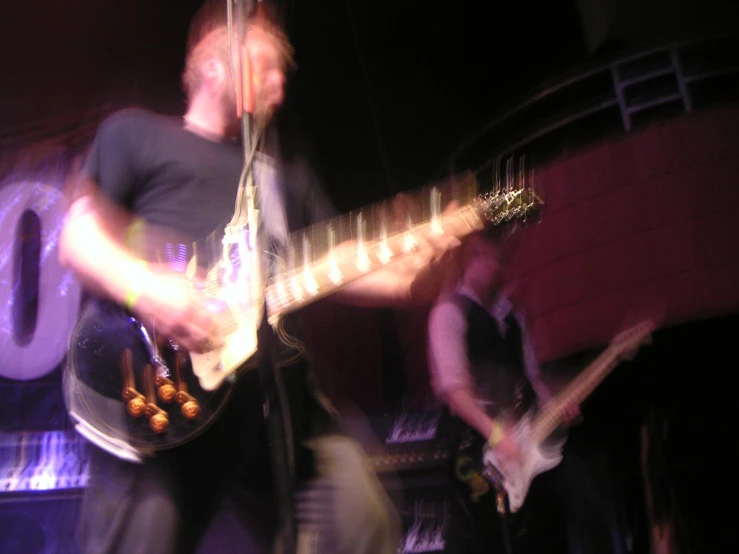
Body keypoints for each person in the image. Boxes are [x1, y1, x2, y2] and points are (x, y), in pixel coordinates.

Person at [60, 5, 465, 554]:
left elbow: (334, 264)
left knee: (363, 518)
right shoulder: (136, 135)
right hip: (161, 388)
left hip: (276, 401)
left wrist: (415, 278)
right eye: (266, 65)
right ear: (213, 65)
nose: (280, 83)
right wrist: (145, 289)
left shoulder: (286, 175)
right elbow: (78, 238)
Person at [426, 231, 618, 554]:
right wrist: (497, 433)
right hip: (481, 453)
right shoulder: (449, 313)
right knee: (494, 540)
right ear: (465, 263)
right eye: (481, 256)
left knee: (575, 512)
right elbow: (454, 391)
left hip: (530, 443)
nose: (491, 264)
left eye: (494, 257)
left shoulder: (512, 319)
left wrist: (559, 406)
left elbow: (533, 379)